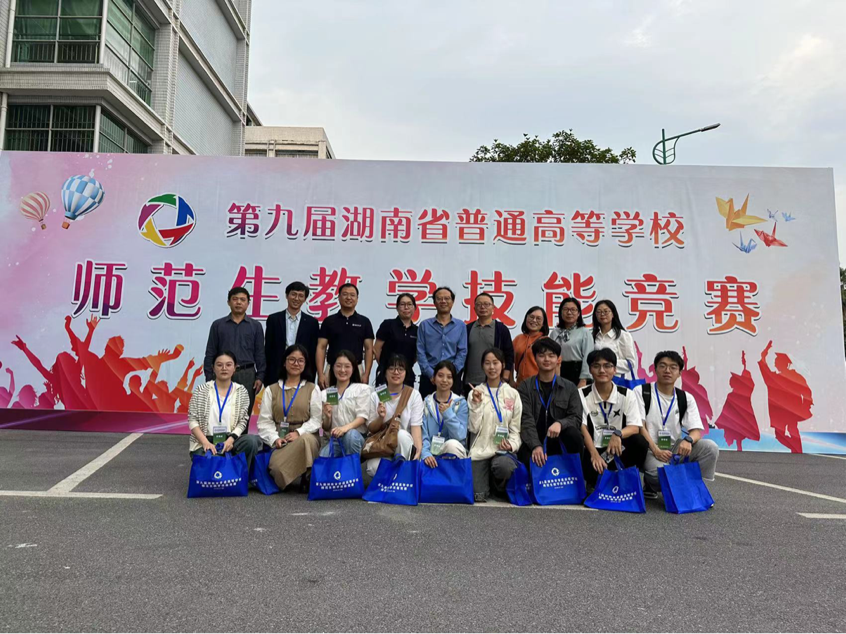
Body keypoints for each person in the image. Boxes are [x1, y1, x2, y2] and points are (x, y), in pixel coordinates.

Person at [635, 350, 719, 498]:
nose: (667, 370)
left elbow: (696, 431)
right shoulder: (642, 391)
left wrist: (688, 440)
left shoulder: (685, 397)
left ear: (679, 373)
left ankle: (694, 486)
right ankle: (650, 484)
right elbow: (640, 426)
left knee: (710, 447)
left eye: (673, 367)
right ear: (655, 369)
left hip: (674, 448)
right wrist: (656, 450)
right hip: (649, 449)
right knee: (659, 476)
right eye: (663, 366)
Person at [578, 348, 648, 487]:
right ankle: (592, 481)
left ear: (615, 370)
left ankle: (628, 479)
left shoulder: (627, 394)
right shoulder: (581, 393)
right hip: (593, 448)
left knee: (640, 441)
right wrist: (594, 455)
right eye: (596, 366)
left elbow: (634, 427)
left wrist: (618, 434)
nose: (602, 370)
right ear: (590, 370)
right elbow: (582, 426)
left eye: (607, 366)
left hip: (618, 448)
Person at [257, 344, 322, 491]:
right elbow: (264, 421)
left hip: (306, 435)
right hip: (281, 438)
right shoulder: (271, 389)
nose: (296, 363)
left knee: (306, 440)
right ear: (284, 362)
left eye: (300, 360)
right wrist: (275, 439)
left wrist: (299, 432)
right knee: (277, 470)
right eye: (292, 359)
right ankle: (291, 475)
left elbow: (316, 419)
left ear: (305, 364)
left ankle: (308, 477)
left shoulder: (313, 388)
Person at [517, 337, 584, 468]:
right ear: (535, 358)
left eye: (551, 356)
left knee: (574, 435)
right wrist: (536, 445)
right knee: (525, 462)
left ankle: (576, 474)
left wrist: (560, 423)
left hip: (559, 440)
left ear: (558, 359)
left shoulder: (569, 387)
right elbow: (525, 419)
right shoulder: (525, 387)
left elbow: (576, 418)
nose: (546, 359)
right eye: (541, 355)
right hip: (533, 440)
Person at [188, 351, 261, 471]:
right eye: (219, 365)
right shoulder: (202, 390)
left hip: (230, 440)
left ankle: (241, 476)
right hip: (206, 441)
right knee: (214, 461)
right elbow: (192, 421)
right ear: (213, 368)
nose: (224, 368)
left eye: (228, 364)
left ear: (235, 368)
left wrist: (231, 439)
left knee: (252, 441)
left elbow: (243, 421)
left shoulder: (241, 391)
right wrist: (205, 443)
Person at [468, 348, 522, 502]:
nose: (492, 367)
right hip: (480, 451)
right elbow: (473, 428)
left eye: (495, 363)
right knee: (477, 495)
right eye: (487, 363)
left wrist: (512, 445)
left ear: (503, 365)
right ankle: (485, 482)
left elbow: (516, 429)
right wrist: (476, 404)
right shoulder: (475, 392)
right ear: (482, 366)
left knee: (504, 467)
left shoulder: (512, 393)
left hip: (502, 451)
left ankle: (498, 487)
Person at [203, 286, 265, 416]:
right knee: (220, 413)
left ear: (248, 303)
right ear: (228, 302)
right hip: (222, 374)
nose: (238, 302)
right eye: (235, 299)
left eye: (242, 299)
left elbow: (260, 353)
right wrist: (209, 377)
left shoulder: (255, 326)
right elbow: (210, 352)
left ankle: (242, 432)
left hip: (247, 375)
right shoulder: (218, 325)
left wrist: (260, 376)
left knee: (243, 415)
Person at [363, 354, 424, 477]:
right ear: (385, 372)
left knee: (401, 435)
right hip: (383, 444)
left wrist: (418, 452)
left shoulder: (413, 395)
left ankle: (402, 476)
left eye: (400, 369)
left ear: (406, 373)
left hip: (403, 444)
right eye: (391, 368)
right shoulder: (376, 395)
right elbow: (371, 428)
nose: (396, 372)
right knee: (373, 468)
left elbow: (416, 428)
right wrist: (380, 417)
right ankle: (393, 481)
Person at [315, 284, 375, 389]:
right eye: (345, 294)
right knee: (330, 398)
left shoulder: (364, 321)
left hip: (356, 369)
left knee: (357, 398)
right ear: (338, 297)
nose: (348, 298)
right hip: (333, 368)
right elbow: (321, 347)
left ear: (357, 299)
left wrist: (366, 374)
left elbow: (369, 349)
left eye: (352, 295)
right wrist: (320, 374)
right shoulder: (329, 321)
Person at [416, 286, 468, 398]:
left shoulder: (460, 326)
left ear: (452, 302)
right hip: (429, 378)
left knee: (452, 407)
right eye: (439, 298)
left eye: (447, 298)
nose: (443, 301)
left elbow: (462, 352)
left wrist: (451, 374)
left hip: (452, 379)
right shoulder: (425, 325)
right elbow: (420, 352)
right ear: (434, 302)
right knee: (427, 407)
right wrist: (431, 374)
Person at [265, 281, 320, 385]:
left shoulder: (312, 323)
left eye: (301, 296)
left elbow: (312, 352)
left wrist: (311, 376)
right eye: (293, 294)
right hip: (276, 371)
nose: (296, 298)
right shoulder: (274, 319)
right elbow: (268, 349)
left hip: (302, 371)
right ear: (287, 296)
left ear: (305, 299)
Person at [318, 350, 372, 457]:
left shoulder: (362, 389)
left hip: (356, 437)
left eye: (347, 366)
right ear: (333, 368)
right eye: (338, 366)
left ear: (353, 368)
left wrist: (344, 429)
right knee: (323, 456)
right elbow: (325, 427)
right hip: (336, 440)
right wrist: (328, 417)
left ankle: (352, 467)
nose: (342, 370)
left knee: (350, 436)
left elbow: (362, 417)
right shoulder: (325, 394)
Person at [421, 360, 469, 467]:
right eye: (440, 376)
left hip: (452, 452)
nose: (444, 380)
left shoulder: (460, 403)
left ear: (453, 380)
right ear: (434, 378)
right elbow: (423, 434)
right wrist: (426, 454)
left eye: (449, 377)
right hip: (430, 454)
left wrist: (448, 414)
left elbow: (460, 436)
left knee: (452, 445)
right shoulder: (426, 403)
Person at [464, 293, 515, 394]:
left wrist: (506, 375)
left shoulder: (501, 329)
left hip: (494, 381)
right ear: (474, 309)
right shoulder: (467, 328)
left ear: (493, 308)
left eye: (486, 304)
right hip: (471, 382)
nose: (482, 307)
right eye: (479, 304)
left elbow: (509, 354)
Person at [374, 293, 418, 388]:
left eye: (409, 304)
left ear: (414, 308)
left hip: (407, 376)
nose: (406, 307)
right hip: (385, 375)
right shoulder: (387, 325)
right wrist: (386, 366)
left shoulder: (417, 330)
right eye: (402, 304)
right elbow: (377, 349)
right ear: (397, 308)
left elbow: (415, 356)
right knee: (383, 398)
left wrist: (403, 367)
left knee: (405, 398)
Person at [548, 298, 592, 387]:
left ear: (579, 313)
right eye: (566, 309)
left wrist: (583, 379)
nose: (569, 312)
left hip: (577, 373)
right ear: (560, 312)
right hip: (558, 372)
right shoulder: (555, 332)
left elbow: (588, 357)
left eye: (573, 309)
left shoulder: (584, 332)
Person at [592, 299, 636, 379]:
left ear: (613, 314)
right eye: (599, 312)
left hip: (616, 380)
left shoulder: (623, 335)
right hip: (596, 379)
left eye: (606, 311)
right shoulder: (592, 335)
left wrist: (607, 365)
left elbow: (630, 363)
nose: (602, 314)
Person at [511, 306, 549, 385]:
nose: (534, 320)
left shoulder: (546, 341)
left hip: (539, 385)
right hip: (520, 385)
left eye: (538, 318)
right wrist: (511, 380)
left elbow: (556, 364)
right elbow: (509, 360)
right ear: (526, 319)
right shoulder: (518, 338)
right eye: (531, 317)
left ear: (543, 323)